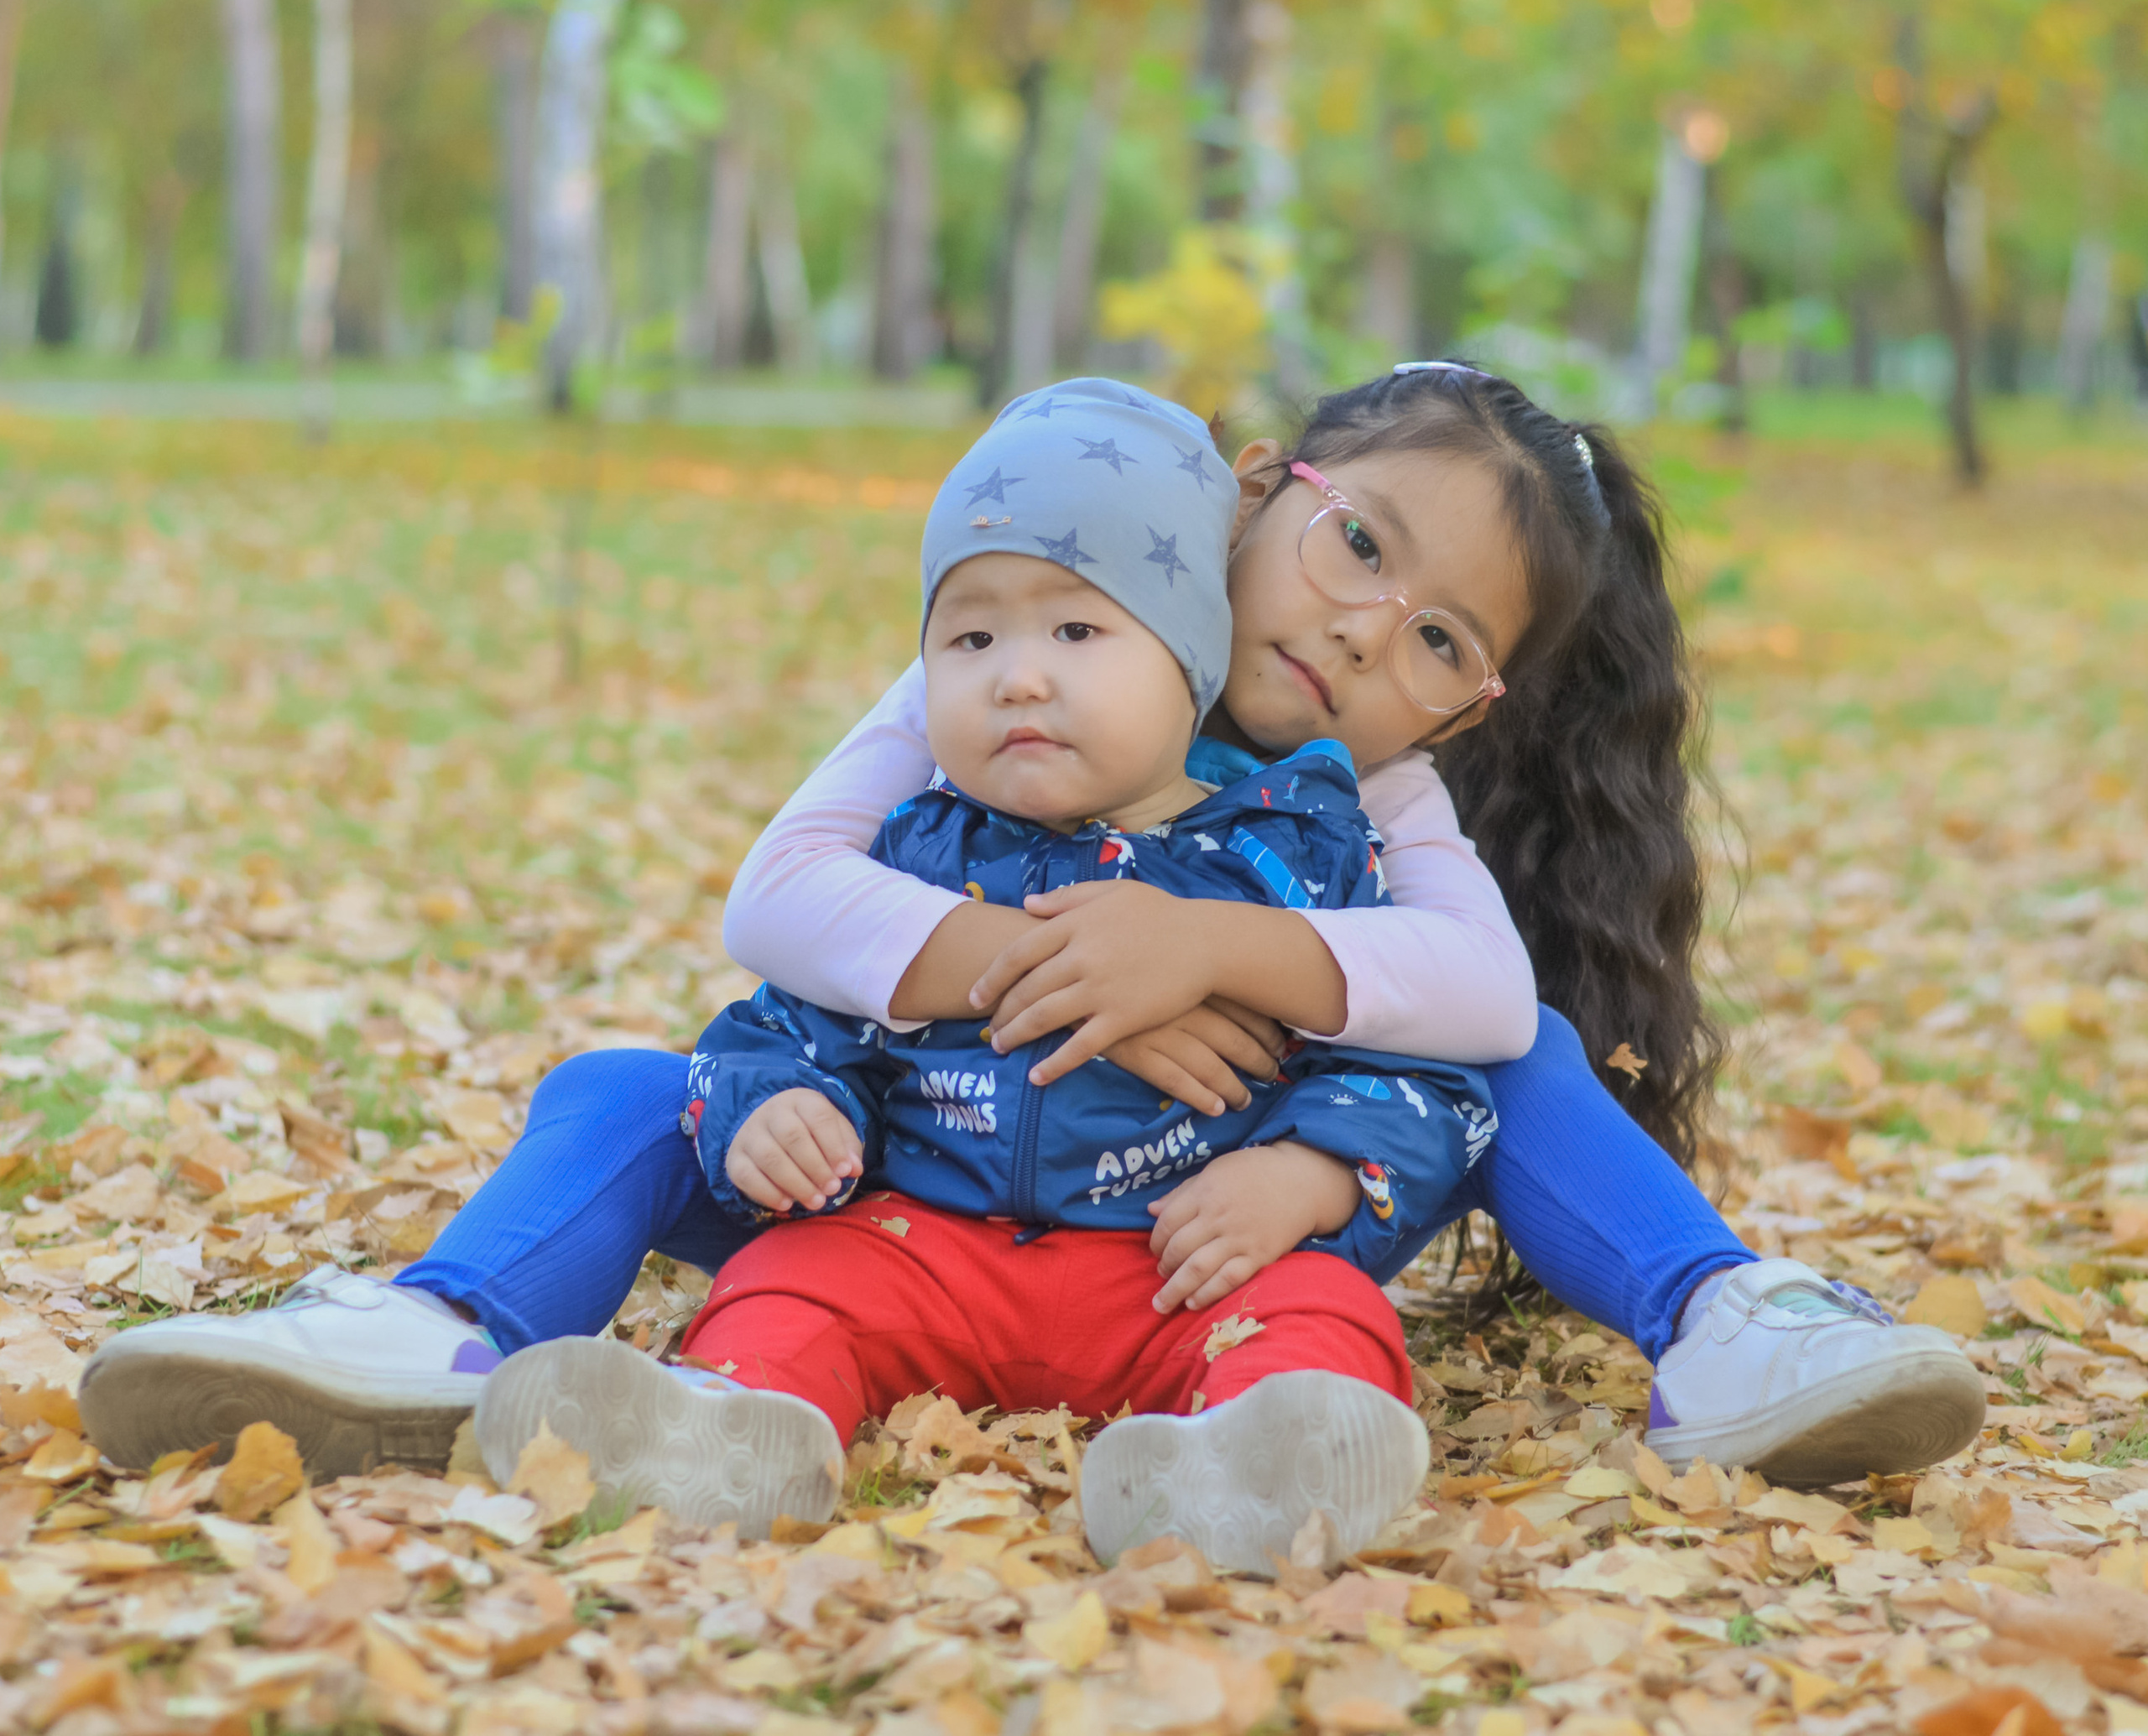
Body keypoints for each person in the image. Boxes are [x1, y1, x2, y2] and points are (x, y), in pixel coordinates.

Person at [80, 365, 1984, 1498]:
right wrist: (1061, 963)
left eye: (1435, 639)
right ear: (1264, 489)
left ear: (1468, 707)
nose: (1360, 629)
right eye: (1359, 545)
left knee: (1531, 1062)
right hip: (907, 1179)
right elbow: (778, 894)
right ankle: (438, 1328)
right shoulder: (1027, 648)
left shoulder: (1377, 794)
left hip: (1218, 1217)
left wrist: (1208, 954)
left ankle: (1725, 1321)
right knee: (618, 1089)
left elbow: (1480, 995)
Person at [476, 381, 1495, 1571]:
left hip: (1176, 1261)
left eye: (1077, 634)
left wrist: (1310, 1173)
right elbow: (787, 1020)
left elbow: (1417, 1070)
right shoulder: (914, 848)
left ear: (1193, 660)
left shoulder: (1295, 856)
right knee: (790, 1280)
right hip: (922, 1241)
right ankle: (726, 1426)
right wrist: (779, 1106)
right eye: (971, 641)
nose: (1017, 677)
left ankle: (1249, 1469)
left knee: (1322, 1312)